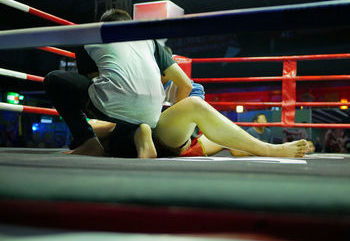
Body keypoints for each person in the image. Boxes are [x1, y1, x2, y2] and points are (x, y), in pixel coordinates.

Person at [44, 8, 192, 158]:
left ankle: (88, 142)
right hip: (152, 116)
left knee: (54, 79)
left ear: (103, 25)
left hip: (114, 107)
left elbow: (94, 81)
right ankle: (139, 132)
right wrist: (171, 124)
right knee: (120, 132)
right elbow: (186, 84)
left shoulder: (91, 36)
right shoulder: (149, 41)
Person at [90, 97, 309, 158]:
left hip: (186, 141)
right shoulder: (116, 87)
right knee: (194, 106)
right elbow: (93, 127)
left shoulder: (181, 85)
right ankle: (270, 150)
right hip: (153, 135)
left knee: (227, 135)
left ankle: (249, 148)